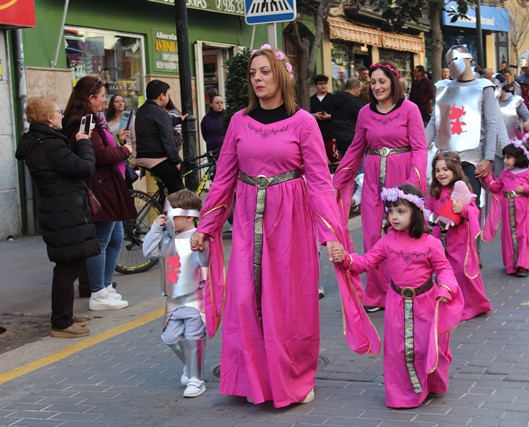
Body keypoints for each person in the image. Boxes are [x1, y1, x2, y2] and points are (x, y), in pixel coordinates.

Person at [190, 44, 379, 408]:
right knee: (244, 299)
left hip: (290, 223)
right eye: (252, 74)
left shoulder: (303, 123)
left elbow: (321, 182)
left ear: (280, 76)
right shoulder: (239, 123)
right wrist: (206, 225)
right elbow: (223, 179)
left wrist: (332, 236)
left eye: (264, 71)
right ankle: (253, 379)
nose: (257, 78)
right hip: (247, 222)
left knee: (288, 304)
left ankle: (294, 376)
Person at [331, 184, 463, 408]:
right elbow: (366, 262)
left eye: (400, 211)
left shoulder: (431, 243)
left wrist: (446, 287)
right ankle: (403, 394)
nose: (393, 216)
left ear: (416, 213)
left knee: (424, 347)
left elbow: (444, 269)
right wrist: (345, 258)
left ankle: (430, 383)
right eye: (391, 211)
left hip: (426, 303)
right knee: (397, 351)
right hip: (396, 304)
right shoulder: (387, 241)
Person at [333, 61, 428, 312]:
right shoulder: (365, 112)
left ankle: (406, 287)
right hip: (373, 181)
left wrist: (412, 185)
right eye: (373, 82)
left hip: (402, 178)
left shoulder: (410, 109)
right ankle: (376, 295)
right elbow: (355, 149)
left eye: (382, 81)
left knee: (401, 235)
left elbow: (419, 147)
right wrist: (336, 183)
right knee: (373, 236)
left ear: (393, 82)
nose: (377, 86)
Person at [15, 96, 99, 338]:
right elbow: (84, 168)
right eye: (58, 112)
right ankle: (61, 323)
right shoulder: (49, 145)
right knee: (67, 265)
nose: (62, 114)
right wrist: (84, 142)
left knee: (69, 263)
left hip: (60, 208)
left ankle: (64, 315)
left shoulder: (39, 141)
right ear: (49, 119)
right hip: (64, 210)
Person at [62, 76, 136, 311]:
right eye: (102, 95)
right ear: (90, 98)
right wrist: (124, 150)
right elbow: (99, 155)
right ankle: (98, 292)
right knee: (102, 241)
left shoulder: (95, 120)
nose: (106, 100)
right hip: (100, 188)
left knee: (115, 237)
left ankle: (105, 287)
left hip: (108, 185)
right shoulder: (84, 122)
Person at [143, 190, 208, 398]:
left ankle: (196, 380)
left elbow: (207, 263)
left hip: (195, 300)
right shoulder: (166, 239)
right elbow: (147, 251)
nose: (167, 218)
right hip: (173, 301)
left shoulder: (199, 239)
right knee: (169, 337)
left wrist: (203, 245)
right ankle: (190, 367)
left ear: (188, 215)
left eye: (172, 214)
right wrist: (155, 227)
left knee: (193, 337)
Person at [426, 45, 499, 201]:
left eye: (455, 58)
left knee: (470, 209)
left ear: (469, 58)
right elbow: (435, 122)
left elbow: (491, 124)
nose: (452, 64)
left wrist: (489, 158)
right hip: (445, 161)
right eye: (449, 61)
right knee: (442, 210)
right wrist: (421, 147)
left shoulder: (484, 87)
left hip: (473, 161)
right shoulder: (443, 87)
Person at [426, 153, 491, 320]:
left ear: (455, 170)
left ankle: (472, 305)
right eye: (437, 170)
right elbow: (427, 210)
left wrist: (461, 208)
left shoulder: (462, 189)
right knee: (444, 271)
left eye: (445, 169)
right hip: (440, 238)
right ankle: (450, 304)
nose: (441, 174)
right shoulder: (435, 191)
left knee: (462, 271)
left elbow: (474, 210)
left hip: (460, 238)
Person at [482, 141, 529, 277]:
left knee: (523, 234)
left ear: (518, 158)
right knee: (508, 236)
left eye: (508, 157)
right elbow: (495, 187)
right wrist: (486, 177)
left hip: (523, 209)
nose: (505, 161)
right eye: (504, 157)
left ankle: (523, 265)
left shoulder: (528, 173)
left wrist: (526, 188)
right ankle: (511, 264)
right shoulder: (505, 173)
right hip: (507, 208)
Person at [135, 79, 184, 194]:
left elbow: (156, 124)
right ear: (162, 96)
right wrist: (176, 161)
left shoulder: (142, 110)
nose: (168, 97)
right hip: (157, 157)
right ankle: (174, 210)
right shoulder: (160, 113)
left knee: (167, 185)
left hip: (143, 156)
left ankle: (163, 203)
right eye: (167, 94)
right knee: (178, 190)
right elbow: (168, 140)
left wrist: (178, 119)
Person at [495, 73, 529, 177]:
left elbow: (528, 116)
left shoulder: (515, 100)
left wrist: (528, 123)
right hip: (494, 149)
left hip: (513, 147)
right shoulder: (488, 103)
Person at [309, 74, 339, 164]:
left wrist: (329, 116)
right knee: (318, 159)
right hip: (316, 133)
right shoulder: (311, 100)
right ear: (316, 85)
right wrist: (314, 115)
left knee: (335, 158)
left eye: (325, 83)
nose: (323, 86)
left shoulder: (333, 98)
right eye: (320, 84)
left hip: (331, 133)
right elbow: (306, 114)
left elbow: (339, 113)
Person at [332, 76, 363, 157]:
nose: (360, 92)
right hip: (353, 139)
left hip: (338, 139)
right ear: (355, 88)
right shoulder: (355, 103)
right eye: (360, 89)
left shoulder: (334, 99)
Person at [200, 90, 225, 158]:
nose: (220, 105)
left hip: (225, 150)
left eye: (221, 102)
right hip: (212, 151)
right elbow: (204, 134)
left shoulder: (227, 116)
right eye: (217, 103)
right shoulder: (206, 119)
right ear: (211, 104)